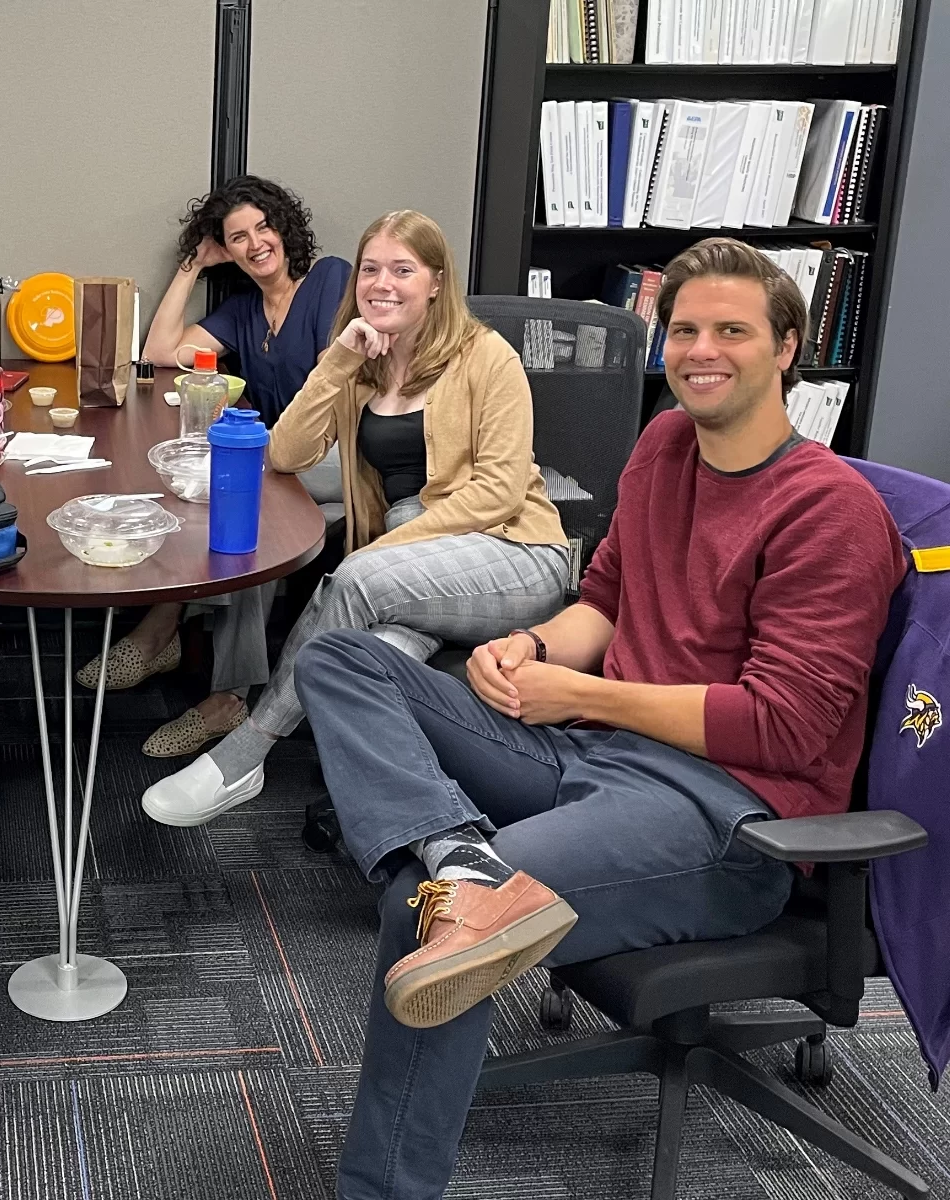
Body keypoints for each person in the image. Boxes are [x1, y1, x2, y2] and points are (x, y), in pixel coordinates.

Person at [294, 237, 905, 1199]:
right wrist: (534, 649)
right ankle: (454, 848)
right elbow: (608, 599)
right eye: (686, 329)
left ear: (787, 347)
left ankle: (384, 1186)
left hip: (723, 816)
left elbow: (786, 726)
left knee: (428, 920)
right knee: (341, 656)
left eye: (733, 331)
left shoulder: (830, 512)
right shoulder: (664, 446)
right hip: (592, 752)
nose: (702, 350)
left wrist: (581, 695)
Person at [142, 210, 571, 825]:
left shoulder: (485, 357)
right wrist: (338, 362)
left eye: (403, 270)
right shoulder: (362, 363)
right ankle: (434, 831)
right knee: (366, 655)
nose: (382, 284)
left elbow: (500, 493)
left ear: (436, 282)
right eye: (370, 269)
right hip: (417, 564)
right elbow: (287, 453)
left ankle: (244, 753)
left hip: (512, 552)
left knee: (357, 582)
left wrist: (383, 553)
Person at [83, 176, 351, 754]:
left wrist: (274, 451)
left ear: (284, 227)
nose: (256, 243)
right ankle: (188, 657)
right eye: (237, 238)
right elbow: (158, 351)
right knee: (237, 509)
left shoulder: (329, 278)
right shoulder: (244, 311)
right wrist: (191, 265)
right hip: (279, 464)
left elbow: (338, 386)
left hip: (341, 460)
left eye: (263, 227)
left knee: (244, 499)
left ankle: (186, 655)